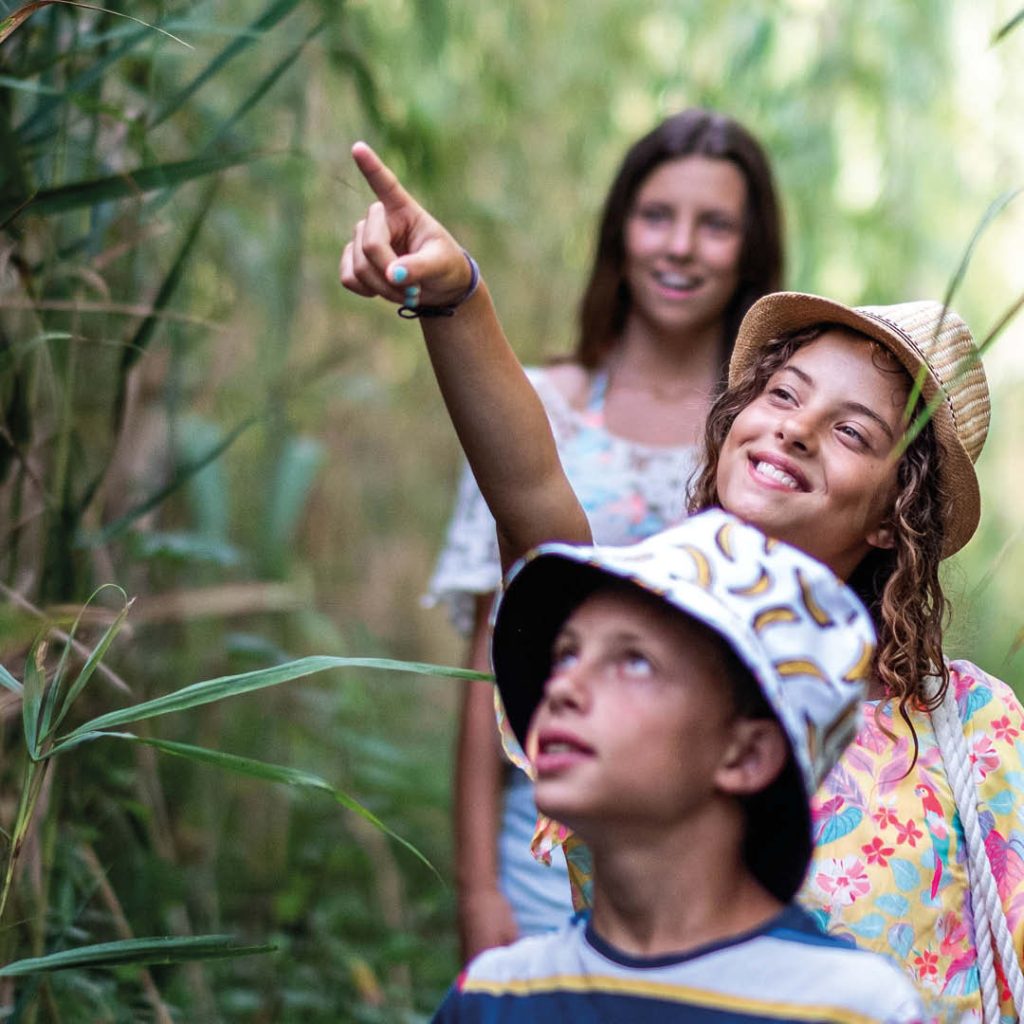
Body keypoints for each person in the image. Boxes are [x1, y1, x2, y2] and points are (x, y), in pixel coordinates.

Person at [338, 143, 1024, 1023]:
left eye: (853, 433)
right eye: (782, 394)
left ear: (898, 514)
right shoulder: (638, 637)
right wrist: (456, 297)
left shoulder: (971, 727)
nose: (797, 431)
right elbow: (530, 493)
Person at [424, 109, 784, 959]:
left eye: (716, 224)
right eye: (658, 216)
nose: (681, 247)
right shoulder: (535, 410)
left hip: (712, 849)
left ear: (751, 249)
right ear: (620, 230)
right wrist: (479, 890)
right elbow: (489, 662)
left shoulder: (769, 436)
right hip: (541, 833)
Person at [431, 508, 927, 1022]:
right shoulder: (495, 997)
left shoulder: (850, 1007)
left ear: (746, 754)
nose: (560, 689)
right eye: (566, 656)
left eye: (634, 661)